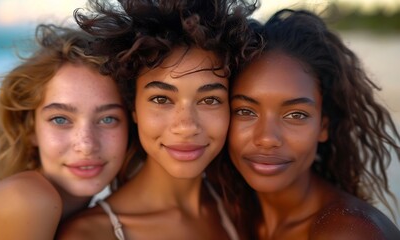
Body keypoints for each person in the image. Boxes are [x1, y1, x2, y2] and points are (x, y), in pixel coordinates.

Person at [56, 0, 260, 239]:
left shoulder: (241, 209)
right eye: (162, 99)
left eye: (210, 100)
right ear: (133, 107)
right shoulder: (90, 234)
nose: (186, 127)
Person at [221, 9, 400, 239]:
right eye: (245, 111)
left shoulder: (345, 231)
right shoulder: (232, 215)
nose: (267, 138)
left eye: (296, 115)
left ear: (323, 126)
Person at [0, 24, 134, 239]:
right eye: (60, 119)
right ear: (31, 128)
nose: (86, 145)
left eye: (107, 119)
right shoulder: (27, 199)